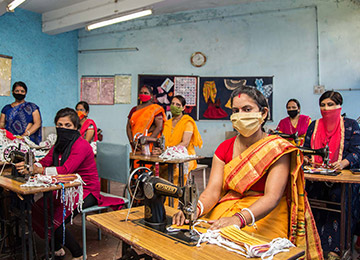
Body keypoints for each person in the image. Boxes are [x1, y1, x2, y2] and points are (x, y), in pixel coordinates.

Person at [173, 86, 323, 259]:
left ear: (263, 113)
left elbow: (272, 197)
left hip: (264, 214)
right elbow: (213, 191)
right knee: (203, 244)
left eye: (247, 109)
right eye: (235, 110)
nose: (240, 115)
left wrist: (238, 219)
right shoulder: (224, 148)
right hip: (228, 207)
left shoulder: (277, 148)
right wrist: (193, 210)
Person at [16, 108, 122, 260]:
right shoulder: (59, 145)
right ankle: (58, 249)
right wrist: (30, 165)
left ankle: (78, 254)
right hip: (66, 187)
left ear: (76, 128)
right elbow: (45, 161)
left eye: (68, 125)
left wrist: (37, 169)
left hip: (86, 190)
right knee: (39, 210)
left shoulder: (81, 145)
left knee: (57, 221)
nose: (63, 129)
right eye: (60, 125)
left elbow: (66, 170)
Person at [304, 90, 360, 257]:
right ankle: (314, 246)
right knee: (312, 204)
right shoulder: (314, 126)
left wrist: (343, 162)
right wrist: (307, 159)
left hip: (342, 179)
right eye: (322, 105)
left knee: (339, 204)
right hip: (317, 178)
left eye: (330, 105)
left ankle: (337, 249)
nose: (326, 108)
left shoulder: (351, 125)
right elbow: (307, 150)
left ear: (339, 106)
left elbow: (358, 150)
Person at [153, 95, 202, 196]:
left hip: (184, 157)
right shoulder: (167, 123)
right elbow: (164, 143)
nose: (174, 106)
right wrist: (160, 151)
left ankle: (174, 204)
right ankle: (161, 203)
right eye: (173, 104)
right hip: (169, 155)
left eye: (178, 105)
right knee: (156, 174)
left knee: (175, 176)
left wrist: (167, 152)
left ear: (184, 108)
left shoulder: (187, 122)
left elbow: (185, 143)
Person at [126, 85, 166, 151]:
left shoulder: (155, 109)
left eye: (146, 93)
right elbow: (128, 127)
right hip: (135, 143)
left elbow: (159, 127)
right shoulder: (134, 109)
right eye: (141, 93)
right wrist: (131, 141)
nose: (143, 94)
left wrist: (146, 141)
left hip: (149, 144)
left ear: (151, 96)